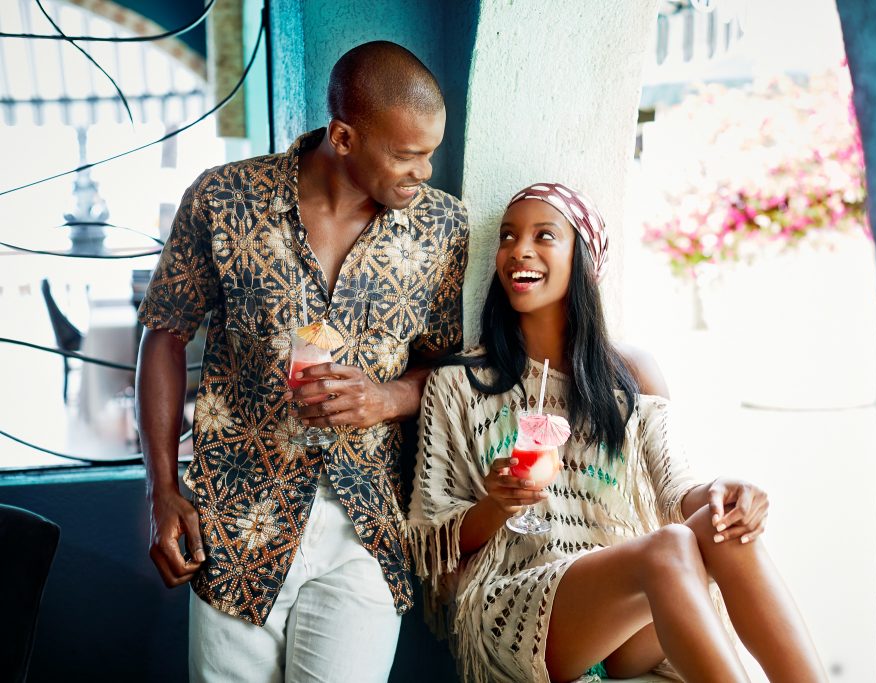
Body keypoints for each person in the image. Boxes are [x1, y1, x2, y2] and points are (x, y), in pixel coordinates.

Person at [136, 41, 468, 682]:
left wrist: (385, 397)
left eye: (431, 152)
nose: (424, 172)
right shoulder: (223, 200)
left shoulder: (442, 229)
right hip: (235, 523)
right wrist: (163, 491)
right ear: (344, 137)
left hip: (367, 527)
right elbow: (165, 335)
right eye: (407, 155)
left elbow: (448, 369)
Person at [408, 183, 827, 683]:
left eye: (545, 236)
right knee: (668, 546)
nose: (519, 250)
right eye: (508, 236)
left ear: (583, 261)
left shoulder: (630, 372)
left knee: (723, 525)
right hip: (518, 610)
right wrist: (499, 502)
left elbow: (677, 492)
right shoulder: (457, 384)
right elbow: (434, 539)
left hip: (624, 609)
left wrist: (721, 494)